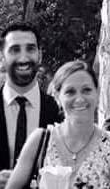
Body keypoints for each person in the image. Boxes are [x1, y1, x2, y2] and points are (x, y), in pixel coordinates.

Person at [6, 60, 110, 189]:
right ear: (57, 96)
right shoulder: (40, 141)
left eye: (86, 90)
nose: (79, 99)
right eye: (70, 92)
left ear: (97, 93)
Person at [0, 23, 62, 188]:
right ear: (1, 57)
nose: (23, 58)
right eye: (15, 50)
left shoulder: (58, 112)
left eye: (30, 49)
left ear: (39, 55)